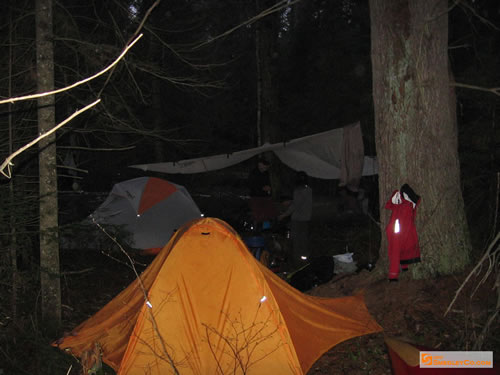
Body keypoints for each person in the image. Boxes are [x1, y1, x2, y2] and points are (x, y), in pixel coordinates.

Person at [278, 171, 313, 269]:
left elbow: (295, 205)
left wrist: (283, 215)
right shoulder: (309, 190)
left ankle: (298, 263)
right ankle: (304, 261)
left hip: (298, 220)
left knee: (297, 242)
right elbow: (299, 202)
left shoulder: (298, 191)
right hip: (306, 219)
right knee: (304, 241)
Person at [247, 158, 277, 227]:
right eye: (265, 166)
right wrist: (262, 188)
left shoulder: (266, 173)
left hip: (266, 197)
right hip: (256, 197)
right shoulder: (254, 173)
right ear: (260, 165)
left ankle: (266, 230)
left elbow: (268, 183)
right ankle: (256, 231)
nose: (266, 168)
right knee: (257, 215)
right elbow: (251, 185)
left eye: (267, 167)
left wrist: (269, 189)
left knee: (267, 214)